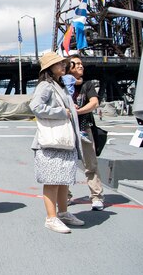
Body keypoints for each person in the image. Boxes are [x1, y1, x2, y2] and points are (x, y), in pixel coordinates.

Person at [30, 52, 85, 234]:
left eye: (64, 63)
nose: (64, 66)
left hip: (61, 141)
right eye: (59, 63)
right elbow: (36, 106)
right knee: (52, 180)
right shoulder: (45, 85)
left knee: (62, 181)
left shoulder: (57, 85)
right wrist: (63, 112)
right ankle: (51, 218)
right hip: (51, 142)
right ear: (49, 68)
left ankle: (63, 213)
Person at [68, 54, 105, 210]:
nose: (80, 66)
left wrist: (78, 111)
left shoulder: (88, 85)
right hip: (67, 129)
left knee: (90, 164)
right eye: (76, 64)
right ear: (68, 68)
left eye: (81, 64)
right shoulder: (63, 85)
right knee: (66, 164)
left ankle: (96, 197)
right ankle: (66, 196)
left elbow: (94, 103)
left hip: (84, 127)